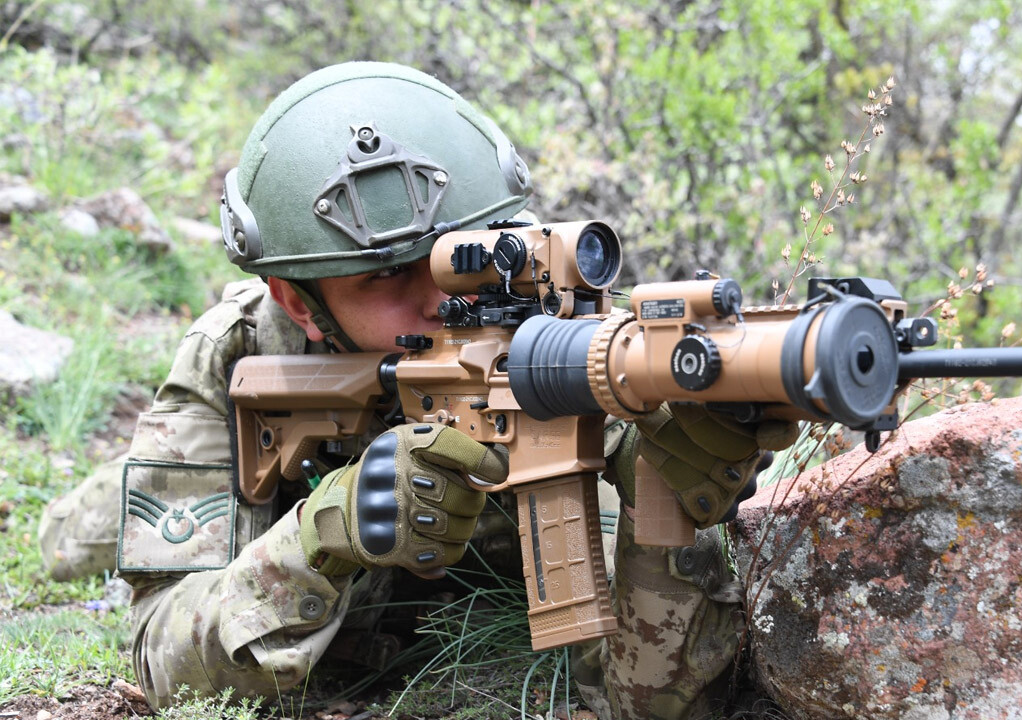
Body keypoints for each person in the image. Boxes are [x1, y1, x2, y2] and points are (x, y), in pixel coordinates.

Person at [45, 61, 794, 719]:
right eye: (389, 276)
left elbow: (652, 698)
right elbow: (167, 668)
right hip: (266, 495)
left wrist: (670, 497)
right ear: (298, 301)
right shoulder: (237, 352)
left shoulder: (576, 343)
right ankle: (94, 506)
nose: (443, 298)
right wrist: (328, 533)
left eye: (462, 259)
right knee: (77, 533)